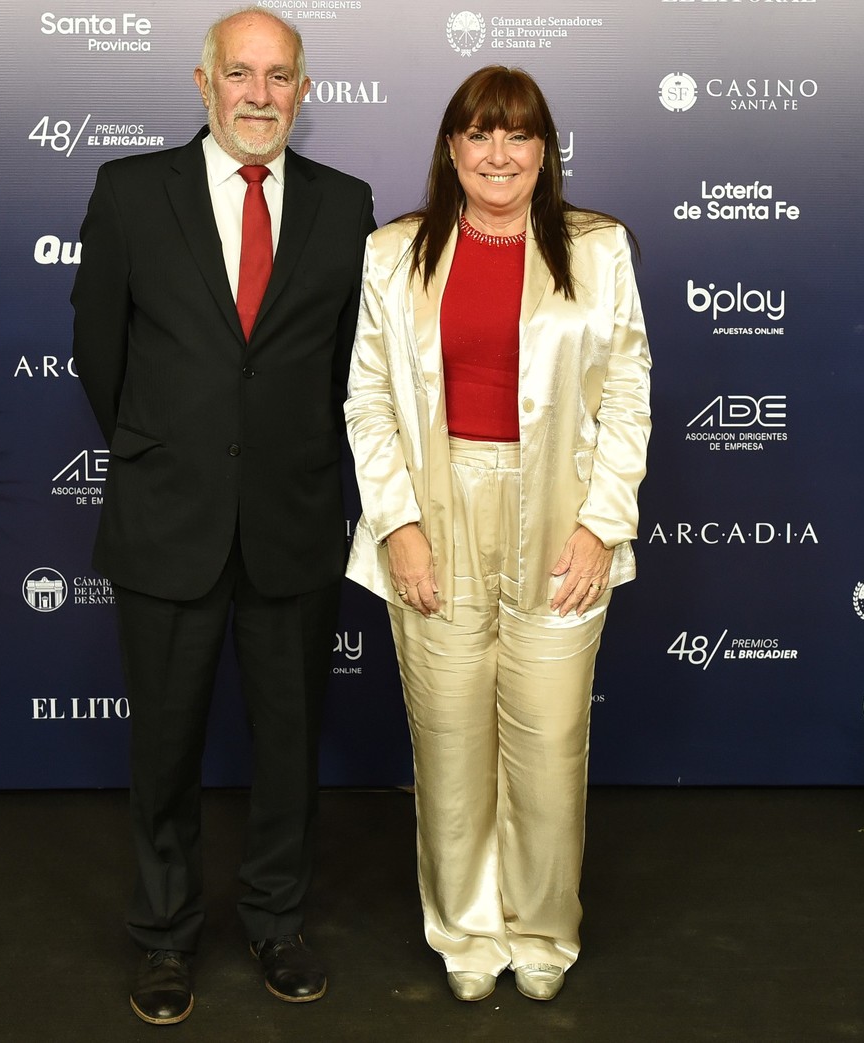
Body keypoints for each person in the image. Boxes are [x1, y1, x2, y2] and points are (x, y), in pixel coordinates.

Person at [71, 6, 374, 1026]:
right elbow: (100, 359)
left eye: (278, 75)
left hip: (289, 517)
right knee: (163, 745)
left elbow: (343, 373)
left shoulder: (345, 206)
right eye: (239, 73)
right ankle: (163, 937)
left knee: (288, 745)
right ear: (202, 84)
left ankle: (277, 920)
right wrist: (174, 450)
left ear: (301, 90)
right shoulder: (127, 192)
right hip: (168, 518)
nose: (258, 93)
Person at [344, 65, 652, 1004]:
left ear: (544, 150)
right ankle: (467, 933)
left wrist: (601, 525)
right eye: (479, 134)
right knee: (446, 740)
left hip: (558, 511)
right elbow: (366, 401)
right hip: (436, 511)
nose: (498, 153)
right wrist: (396, 524)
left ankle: (543, 927)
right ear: (450, 148)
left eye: (517, 135)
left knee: (551, 742)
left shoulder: (598, 249)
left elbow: (629, 393)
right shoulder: (392, 252)